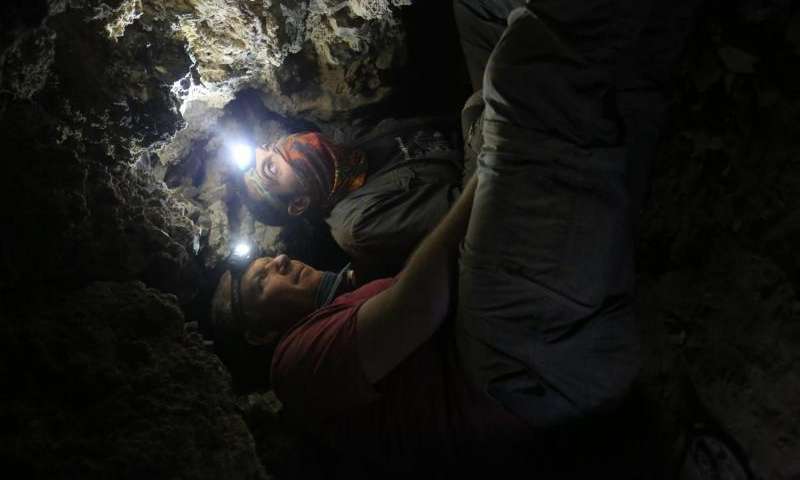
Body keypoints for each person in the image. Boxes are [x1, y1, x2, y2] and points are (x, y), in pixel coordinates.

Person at [212, 0, 699, 475]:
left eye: (267, 262)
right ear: (261, 334)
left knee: (484, 12)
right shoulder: (294, 367)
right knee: (523, 78)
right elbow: (419, 304)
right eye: (261, 283)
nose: (278, 263)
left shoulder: (349, 280)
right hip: (512, 369)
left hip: (515, 339)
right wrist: (493, 159)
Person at [240, 117, 464, 284]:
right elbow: (467, 206)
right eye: (271, 168)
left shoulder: (346, 148)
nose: (283, 146)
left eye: (270, 147)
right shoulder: (358, 223)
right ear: (299, 203)